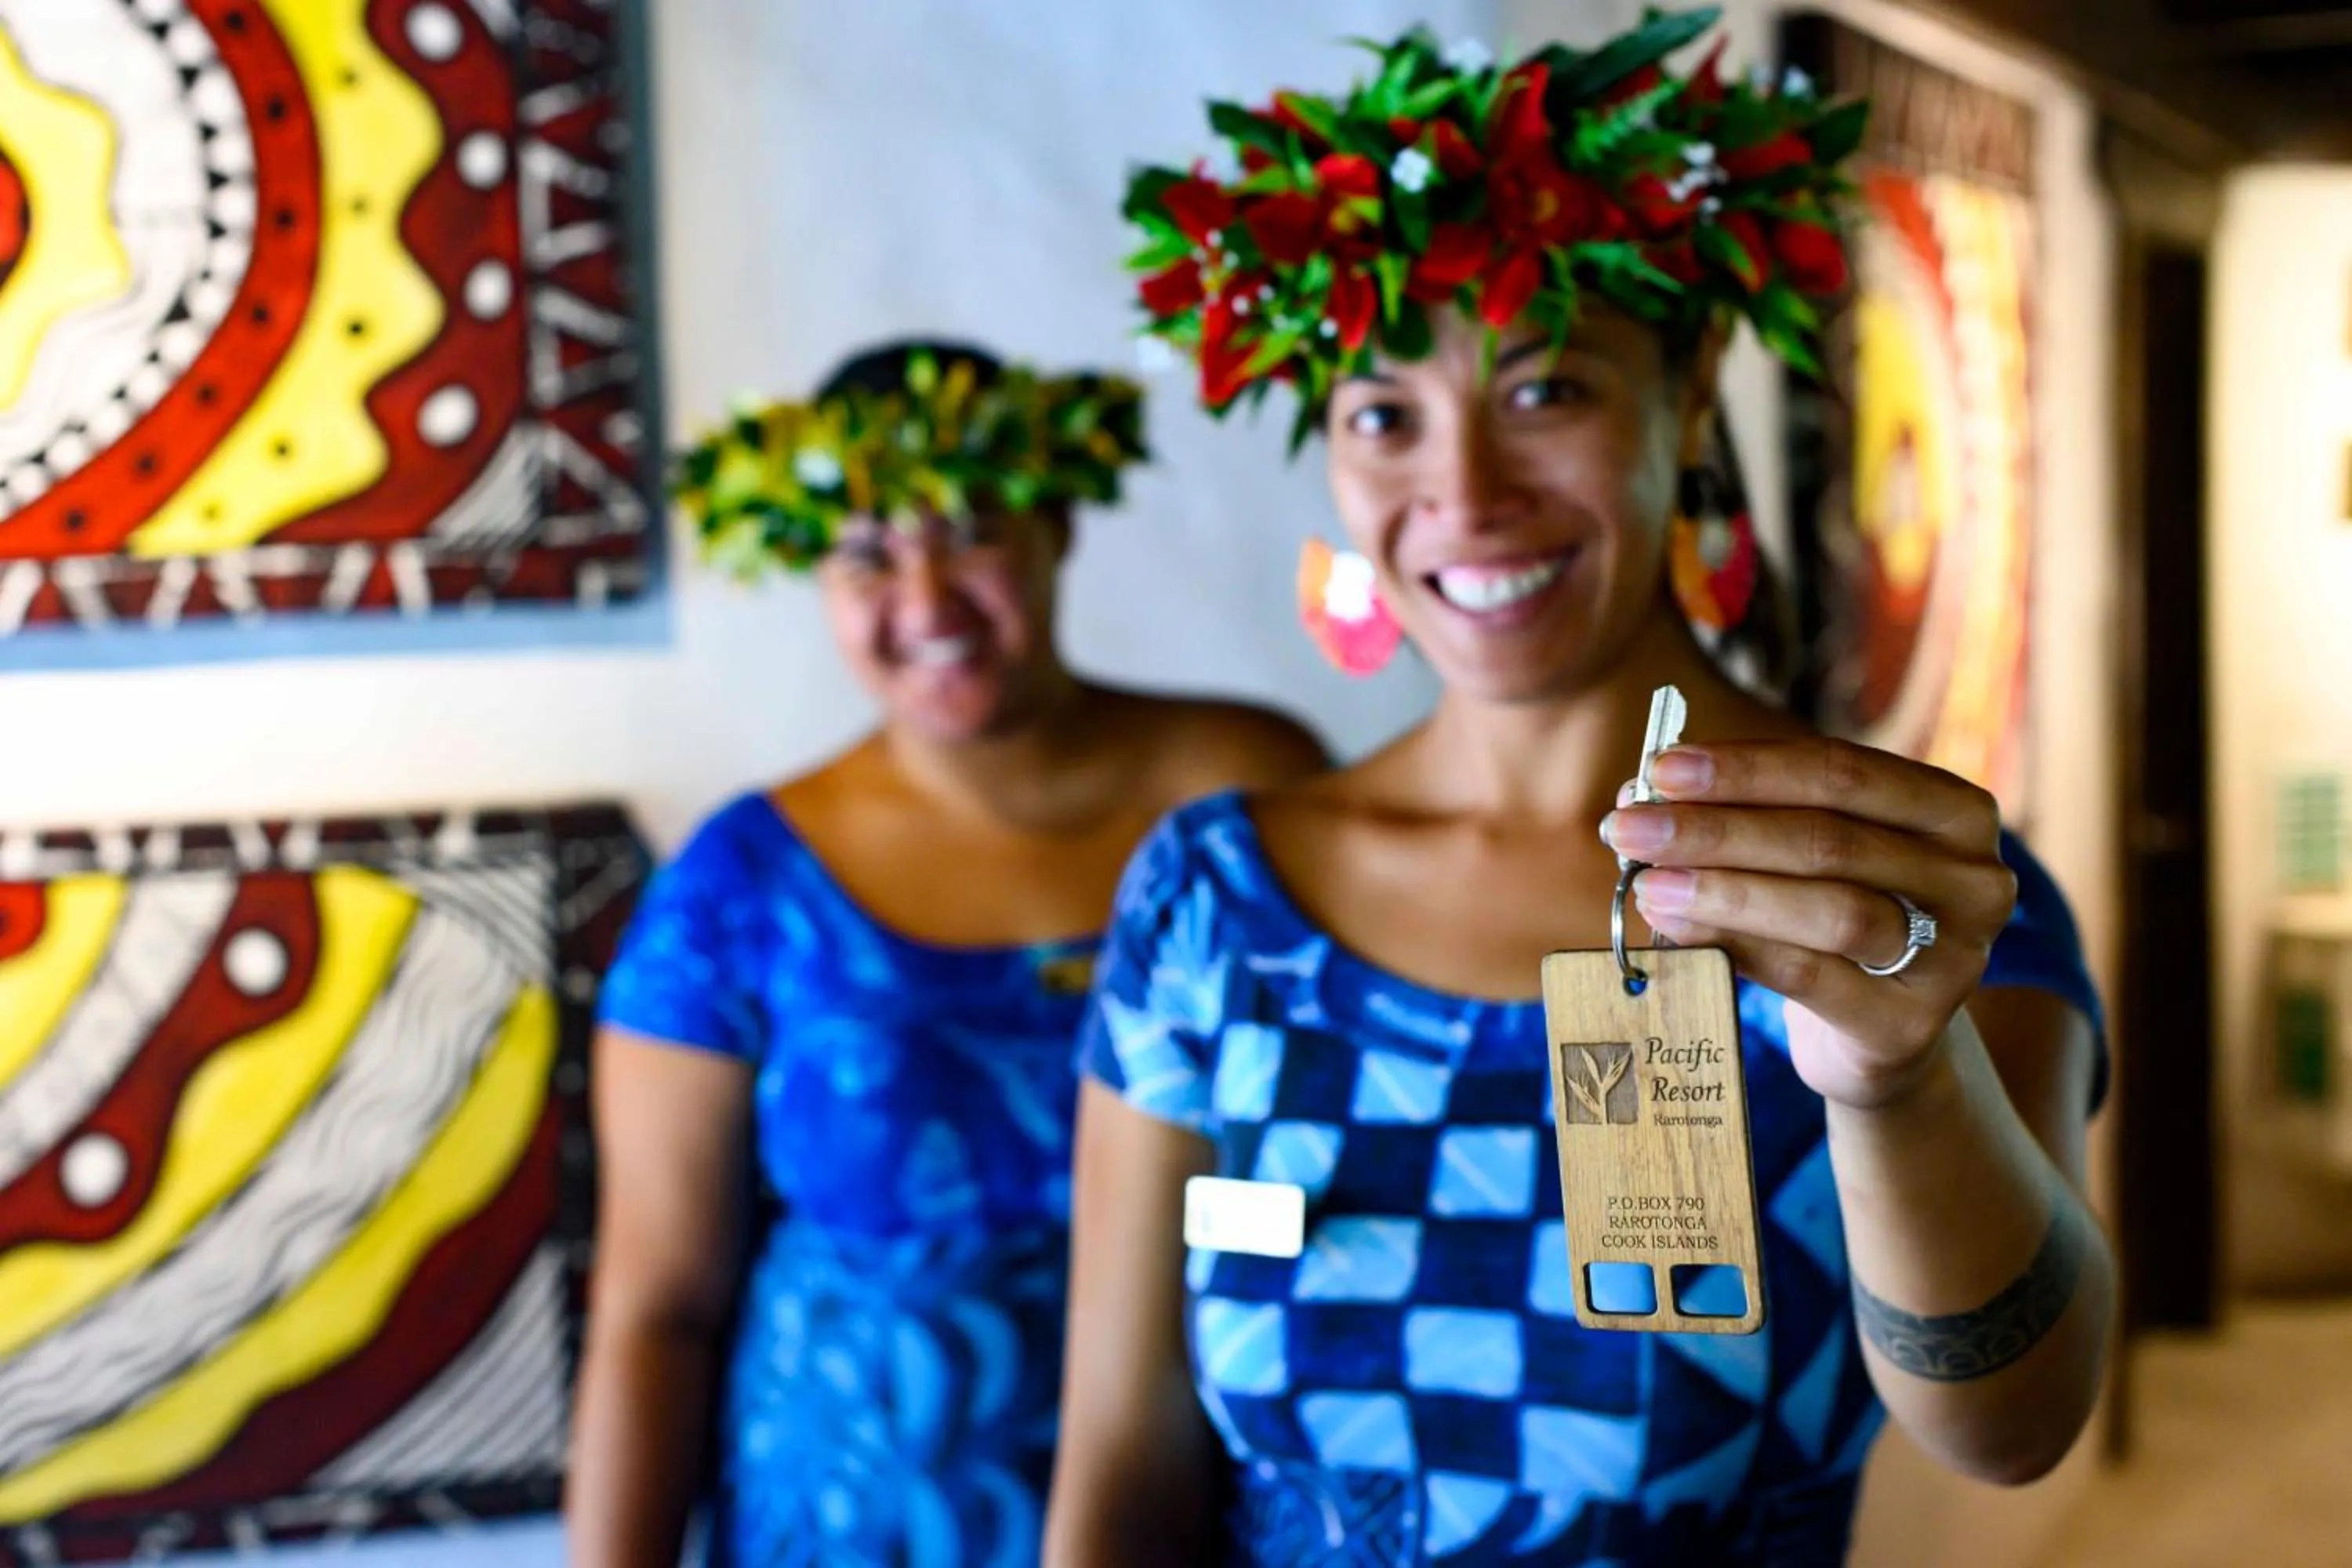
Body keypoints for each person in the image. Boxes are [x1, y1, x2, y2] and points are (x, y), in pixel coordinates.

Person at [1046, 18, 2111, 1566]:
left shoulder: (1884, 891)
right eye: (1384, 415)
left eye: (1546, 391)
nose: (1464, 494)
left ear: (1690, 386)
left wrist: (1893, 1080)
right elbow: (1123, 1464)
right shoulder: (1213, 904)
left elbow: (2018, 1425)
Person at [569, 340, 1327, 1568]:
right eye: (868, 554)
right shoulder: (742, 886)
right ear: (810, 569)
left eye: (970, 530)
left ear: (1057, 527)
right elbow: (657, 1312)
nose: (923, 603)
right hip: (850, 1527)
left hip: (1221, 1505)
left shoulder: (1245, 789)